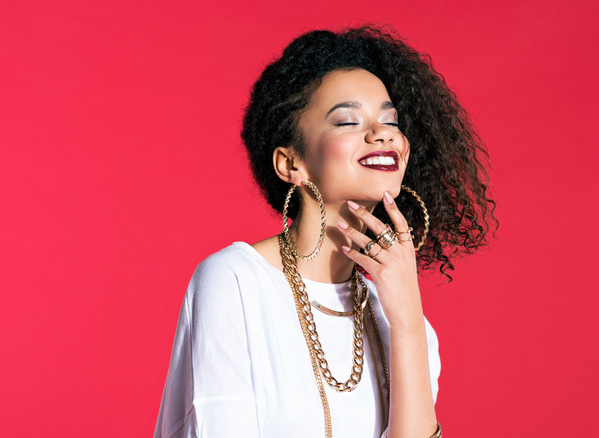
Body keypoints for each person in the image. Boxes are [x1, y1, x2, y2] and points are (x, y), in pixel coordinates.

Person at [154, 26, 496, 438]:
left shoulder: (406, 323)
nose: (382, 133)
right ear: (290, 163)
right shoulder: (235, 282)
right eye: (348, 121)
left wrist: (406, 317)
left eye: (390, 121)